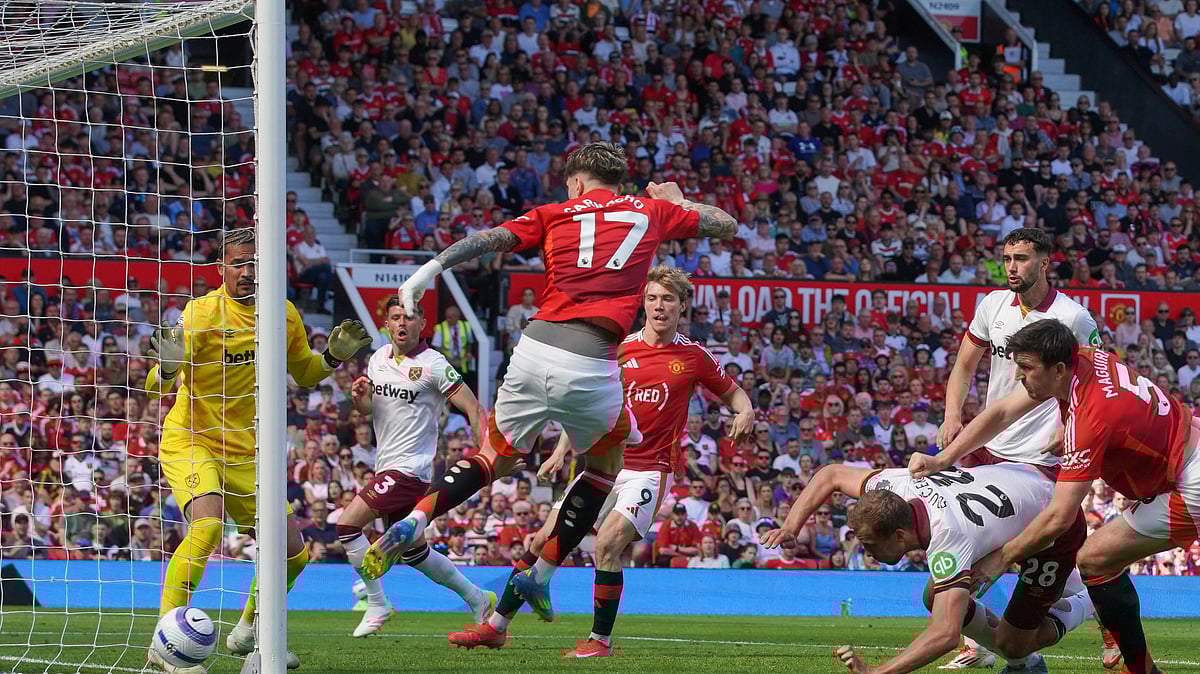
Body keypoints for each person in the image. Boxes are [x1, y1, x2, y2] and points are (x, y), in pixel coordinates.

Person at [360, 143, 738, 623]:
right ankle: (539, 576)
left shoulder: (554, 211)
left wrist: (425, 274)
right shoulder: (652, 210)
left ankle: (416, 519)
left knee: (492, 455)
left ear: (577, 182)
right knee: (605, 467)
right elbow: (725, 224)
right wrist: (680, 200)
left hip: (532, 349)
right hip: (591, 357)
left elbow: (488, 239)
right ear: (618, 182)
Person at [448, 266, 753, 655]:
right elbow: (581, 405)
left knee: (607, 544)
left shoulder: (693, 356)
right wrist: (561, 450)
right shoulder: (618, 348)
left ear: (683, 307)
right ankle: (496, 627)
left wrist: (744, 412)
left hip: (650, 470)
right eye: (653, 298)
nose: (659, 306)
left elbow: (735, 394)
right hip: (604, 466)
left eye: (668, 299)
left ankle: (599, 641)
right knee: (544, 538)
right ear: (643, 303)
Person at [914, 319, 1200, 674]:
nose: (1018, 376)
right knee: (1099, 561)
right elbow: (1003, 411)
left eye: (1026, 368)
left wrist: (1000, 560)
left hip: (1188, 480)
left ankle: (1140, 670)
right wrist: (943, 458)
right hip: (1185, 443)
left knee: (1095, 559)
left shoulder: (1090, 418)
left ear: (1058, 370)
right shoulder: (1085, 357)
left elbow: (1060, 517)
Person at [145, 228, 371, 674]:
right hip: (193, 438)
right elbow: (158, 386)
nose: (248, 272)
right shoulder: (201, 315)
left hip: (249, 451)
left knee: (293, 553)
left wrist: (332, 358)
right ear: (221, 269)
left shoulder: (282, 314)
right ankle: (163, 645)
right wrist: (168, 366)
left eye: (255, 264)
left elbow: (304, 373)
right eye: (239, 264)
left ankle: (249, 628)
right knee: (207, 527)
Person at [935, 227, 1101, 671]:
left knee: (1025, 553)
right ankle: (1093, 598)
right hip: (993, 447)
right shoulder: (992, 305)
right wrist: (953, 414)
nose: (1012, 267)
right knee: (1028, 556)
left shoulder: (1074, 317)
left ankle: (1084, 605)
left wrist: (1068, 427)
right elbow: (964, 365)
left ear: (1046, 262)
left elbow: (1098, 379)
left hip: (1045, 458)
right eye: (1007, 258)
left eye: (1022, 259)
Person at [765, 459, 1093, 674]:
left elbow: (945, 635)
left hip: (1054, 522)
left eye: (868, 543)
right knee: (937, 597)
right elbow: (831, 475)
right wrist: (791, 526)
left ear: (898, 534)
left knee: (1012, 642)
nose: (865, 550)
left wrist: (879, 672)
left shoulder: (947, 538)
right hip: (1022, 480)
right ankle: (1024, 665)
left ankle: (1089, 598)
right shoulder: (892, 488)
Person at [338, 295, 497, 638]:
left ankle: (377, 603)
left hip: (411, 470)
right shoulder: (377, 358)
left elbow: (472, 407)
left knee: (347, 525)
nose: (401, 323)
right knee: (415, 553)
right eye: (395, 317)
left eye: (409, 317)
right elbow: (369, 410)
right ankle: (478, 597)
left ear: (422, 324)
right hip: (386, 467)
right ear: (386, 324)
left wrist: (486, 453)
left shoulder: (435, 364)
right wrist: (359, 397)